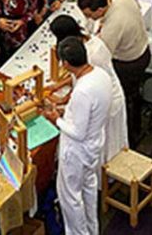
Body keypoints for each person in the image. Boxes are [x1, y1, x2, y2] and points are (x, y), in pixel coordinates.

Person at [43, 37, 112, 235]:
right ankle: (92, 229)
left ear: (65, 63)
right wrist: (66, 110)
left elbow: (78, 133)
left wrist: (56, 119)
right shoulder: (100, 74)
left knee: (70, 198)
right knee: (89, 189)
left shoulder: (82, 90)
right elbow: (88, 113)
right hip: (94, 145)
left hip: (77, 151)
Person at [49, 15, 128, 165]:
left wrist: (62, 106)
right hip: (103, 93)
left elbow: (81, 77)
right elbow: (77, 73)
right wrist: (58, 86)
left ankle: (107, 171)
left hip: (106, 101)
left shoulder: (92, 56)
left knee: (104, 144)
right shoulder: (86, 44)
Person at [77, 0, 150, 144]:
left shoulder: (112, 27)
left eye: (90, 15)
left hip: (129, 62)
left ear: (101, 9)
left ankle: (131, 135)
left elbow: (102, 55)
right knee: (135, 93)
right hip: (144, 49)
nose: (88, 18)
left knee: (126, 97)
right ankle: (137, 113)